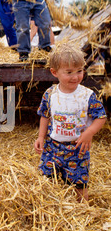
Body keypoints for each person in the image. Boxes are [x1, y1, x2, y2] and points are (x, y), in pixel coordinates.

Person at [34, 42, 107, 202]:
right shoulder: (50, 93)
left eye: (79, 71)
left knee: (80, 183)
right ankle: (50, 205)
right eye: (69, 72)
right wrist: (41, 137)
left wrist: (89, 133)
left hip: (77, 149)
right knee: (47, 180)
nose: (75, 76)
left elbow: (100, 117)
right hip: (53, 147)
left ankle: (82, 210)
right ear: (55, 72)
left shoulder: (87, 95)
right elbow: (44, 115)